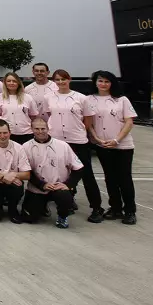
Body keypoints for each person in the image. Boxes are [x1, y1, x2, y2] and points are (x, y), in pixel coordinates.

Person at [44, 69, 104, 222]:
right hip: (57, 141)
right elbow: (49, 116)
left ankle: (96, 207)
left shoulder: (81, 98)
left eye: (63, 79)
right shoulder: (49, 97)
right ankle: (68, 202)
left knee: (86, 174)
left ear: (69, 79)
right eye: (57, 80)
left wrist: (80, 131)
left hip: (77, 140)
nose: (60, 82)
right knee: (62, 173)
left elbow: (88, 120)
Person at [86, 70, 138, 225]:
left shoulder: (121, 100)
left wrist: (117, 139)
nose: (103, 84)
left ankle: (130, 211)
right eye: (100, 81)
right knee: (110, 178)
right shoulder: (89, 99)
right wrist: (95, 138)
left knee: (124, 179)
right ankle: (115, 208)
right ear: (95, 82)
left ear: (112, 83)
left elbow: (129, 122)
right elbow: (89, 123)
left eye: (107, 81)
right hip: (102, 145)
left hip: (123, 146)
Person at [21, 117, 84, 229]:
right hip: (37, 188)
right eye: (37, 129)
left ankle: (62, 216)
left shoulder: (62, 145)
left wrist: (68, 185)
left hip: (58, 187)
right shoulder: (25, 147)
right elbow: (27, 172)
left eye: (43, 128)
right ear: (31, 129)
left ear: (48, 128)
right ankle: (42, 207)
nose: (40, 131)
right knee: (30, 219)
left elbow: (79, 168)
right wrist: (42, 185)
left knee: (64, 197)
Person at [0, 73, 37, 144]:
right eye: (9, 81)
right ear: (5, 83)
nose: (11, 83)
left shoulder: (28, 97)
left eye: (14, 81)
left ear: (18, 83)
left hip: (26, 133)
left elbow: (33, 116)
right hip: (7, 134)